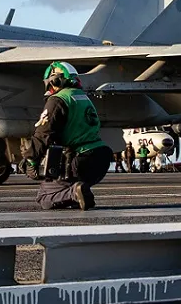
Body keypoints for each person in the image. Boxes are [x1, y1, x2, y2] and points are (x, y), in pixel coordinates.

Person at [23, 62, 115, 210]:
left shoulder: (58, 100)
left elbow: (43, 134)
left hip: (78, 161)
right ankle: (77, 194)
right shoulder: (83, 98)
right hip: (101, 159)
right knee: (67, 188)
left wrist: (31, 160)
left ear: (54, 80)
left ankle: (73, 192)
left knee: (44, 198)